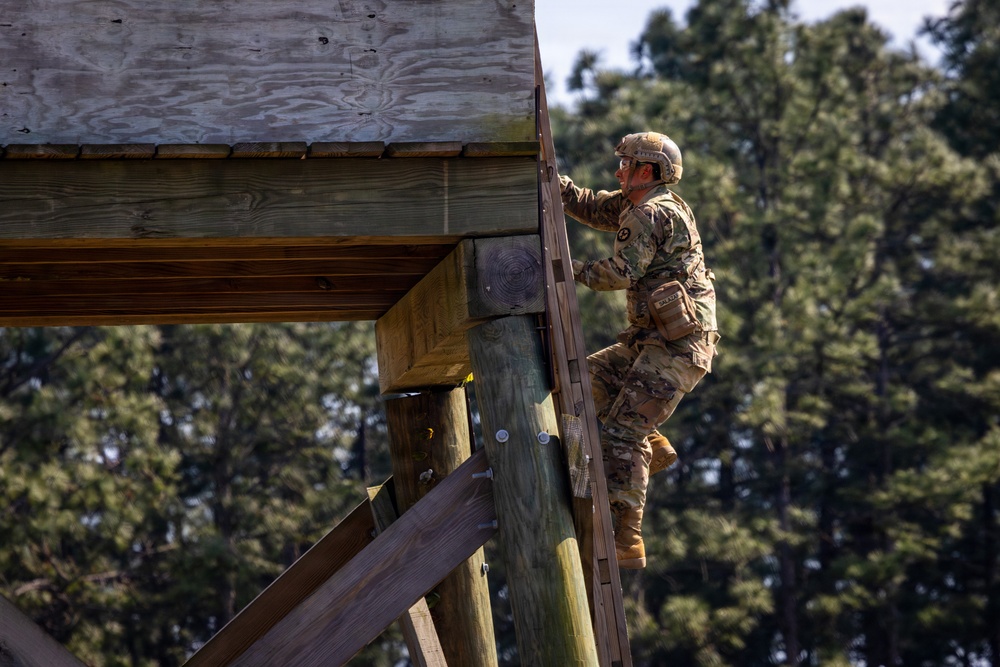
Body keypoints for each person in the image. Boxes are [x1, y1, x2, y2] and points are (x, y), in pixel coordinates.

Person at [559, 131, 720, 569]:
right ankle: (652, 438)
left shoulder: (651, 212)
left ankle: (626, 539)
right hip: (657, 343)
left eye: (626, 164)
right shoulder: (640, 205)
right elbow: (593, 207)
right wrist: (556, 186)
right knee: (581, 382)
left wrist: (563, 268)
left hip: (677, 349)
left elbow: (620, 273)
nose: (618, 171)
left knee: (619, 435)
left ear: (646, 171)